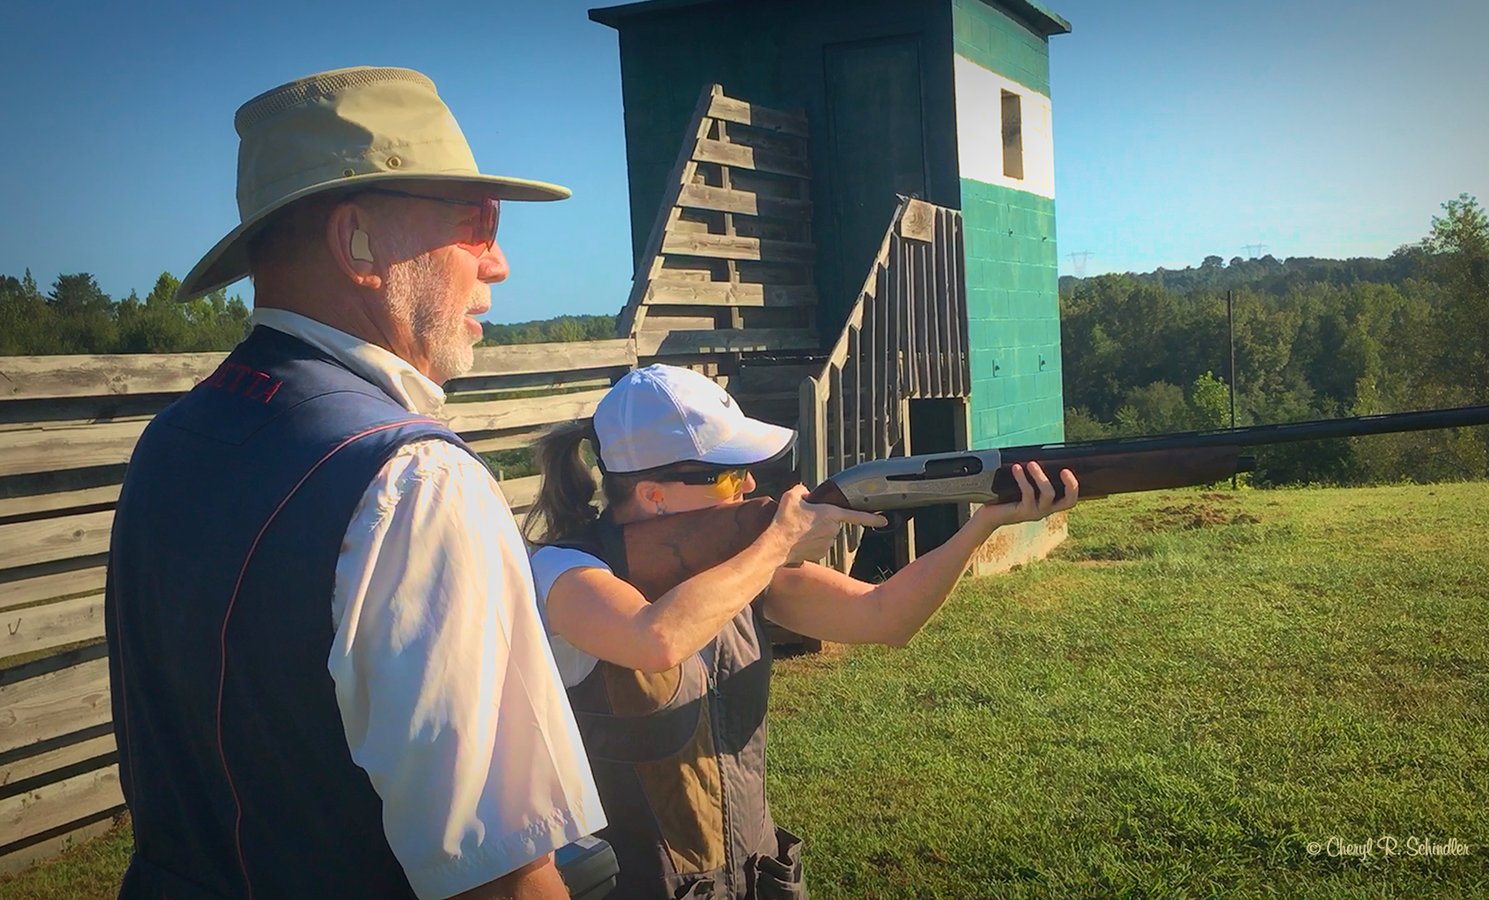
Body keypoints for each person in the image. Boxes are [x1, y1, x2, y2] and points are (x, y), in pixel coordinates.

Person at [106, 66, 605, 899]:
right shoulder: (414, 480)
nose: (500, 263)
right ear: (358, 244)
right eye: (476, 222)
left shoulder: (174, 437)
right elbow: (507, 878)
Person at [522, 364, 1079, 899]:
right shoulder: (564, 572)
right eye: (726, 474)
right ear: (653, 494)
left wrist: (982, 522)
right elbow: (655, 639)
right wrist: (776, 543)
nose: (748, 483)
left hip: (757, 875)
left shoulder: (742, 567)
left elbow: (886, 617)